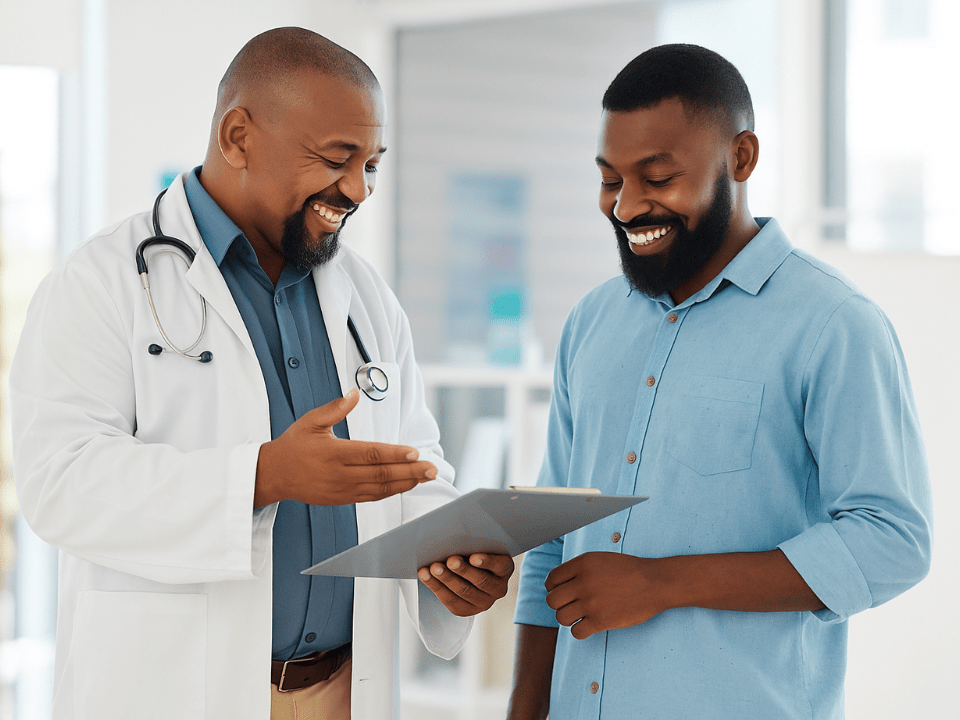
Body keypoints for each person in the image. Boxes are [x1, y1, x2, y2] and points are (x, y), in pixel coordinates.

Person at [10, 27, 514, 720]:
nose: (358, 189)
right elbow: (59, 483)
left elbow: (411, 462)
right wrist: (265, 476)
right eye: (337, 159)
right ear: (239, 136)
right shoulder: (101, 281)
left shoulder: (364, 294)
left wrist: (448, 562)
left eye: (373, 163)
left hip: (343, 688)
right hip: (179, 689)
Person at [506, 44, 932, 720]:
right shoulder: (591, 322)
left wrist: (661, 582)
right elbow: (552, 539)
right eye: (610, 179)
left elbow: (892, 541)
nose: (625, 207)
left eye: (657, 176)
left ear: (741, 159)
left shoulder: (835, 325)